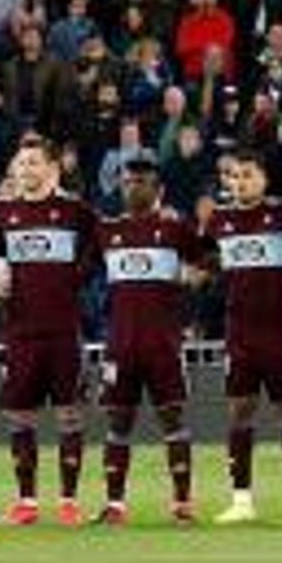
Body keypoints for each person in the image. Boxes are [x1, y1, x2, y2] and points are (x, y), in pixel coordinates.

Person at [203, 153, 282, 523]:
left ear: (264, 179)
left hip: (280, 331)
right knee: (239, 412)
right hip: (239, 333)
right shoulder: (219, 220)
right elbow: (204, 262)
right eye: (234, 176)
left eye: (247, 175)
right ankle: (241, 500)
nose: (239, 182)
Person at [0, 137, 98, 526]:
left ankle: (69, 501)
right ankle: (27, 502)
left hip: (62, 329)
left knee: (70, 414)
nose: (26, 170)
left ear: (52, 168)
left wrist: (74, 279)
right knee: (20, 416)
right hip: (20, 331)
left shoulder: (74, 210)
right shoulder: (2, 211)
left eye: (34, 163)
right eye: (21, 164)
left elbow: (97, 249)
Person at [95, 159, 205, 523]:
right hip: (121, 343)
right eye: (127, 182)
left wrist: (192, 282)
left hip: (163, 344)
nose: (133, 187)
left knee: (172, 417)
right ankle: (115, 505)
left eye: (141, 181)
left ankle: (183, 503)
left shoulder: (175, 230)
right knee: (118, 421)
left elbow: (208, 261)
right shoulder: (106, 231)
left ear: (159, 191)